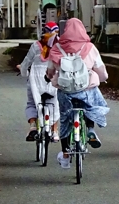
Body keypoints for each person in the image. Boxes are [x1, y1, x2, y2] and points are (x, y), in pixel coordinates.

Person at [46, 18, 109, 169]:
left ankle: (66, 154)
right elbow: (102, 72)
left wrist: (50, 77)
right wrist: (101, 78)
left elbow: (50, 71)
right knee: (92, 105)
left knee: (65, 119)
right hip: (85, 89)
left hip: (65, 91)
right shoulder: (90, 47)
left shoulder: (56, 48)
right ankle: (91, 129)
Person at [17, 21, 59, 141]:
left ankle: (32, 126)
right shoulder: (60, 45)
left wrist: (23, 72)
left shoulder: (36, 46)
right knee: (56, 104)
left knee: (32, 103)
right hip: (53, 80)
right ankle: (54, 131)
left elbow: (26, 63)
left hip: (35, 82)